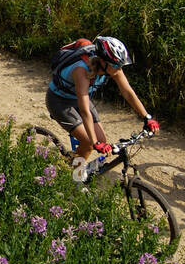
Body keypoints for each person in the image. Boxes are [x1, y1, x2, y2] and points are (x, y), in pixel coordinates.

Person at [45, 35, 158, 168]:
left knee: (102, 140)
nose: (119, 69)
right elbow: (84, 110)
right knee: (88, 143)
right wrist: (94, 142)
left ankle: (73, 162)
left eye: (121, 65)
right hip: (59, 101)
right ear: (102, 62)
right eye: (116, 65)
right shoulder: (81, 70)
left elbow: (128, 93)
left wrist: (147, 117)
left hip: (77, 98)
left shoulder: (113, 68)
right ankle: (73, 177)